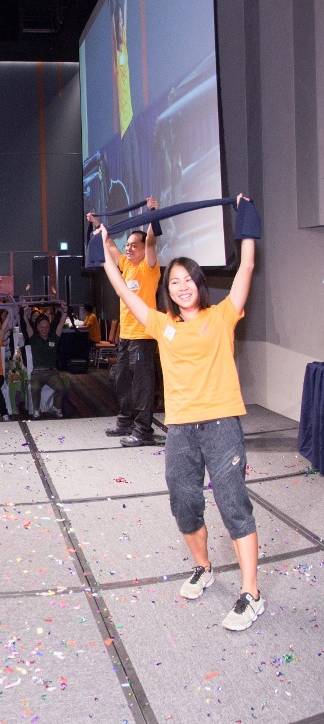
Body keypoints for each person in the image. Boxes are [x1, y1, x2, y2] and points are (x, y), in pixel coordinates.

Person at [94, 195, 261, 630]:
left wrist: (246, 222)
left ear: (199, 284)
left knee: (233, 505)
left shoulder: (223, 315)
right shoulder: (162, 325)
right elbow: (118, 286)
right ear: (166, 291)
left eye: (188, 280)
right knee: (184, 503)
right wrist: (102, 246)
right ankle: (204, 568)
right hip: (182, 431)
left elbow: (244, 270)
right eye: (174, 282)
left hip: (222, 424)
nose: (181, 286)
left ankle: (251, 593)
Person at [108, 228, 164, 445]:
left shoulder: (148, 268)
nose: (129, 248)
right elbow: (111, 246)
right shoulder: (126, 265)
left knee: (142, 386)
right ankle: (125, 422)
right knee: (122, 380)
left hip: (143, 337)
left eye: (134, 245)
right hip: (126, 336)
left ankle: (143, 431)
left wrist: (152, 214)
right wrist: (97, 225)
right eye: (128, 244)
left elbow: (151, 240)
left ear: (144, 249)